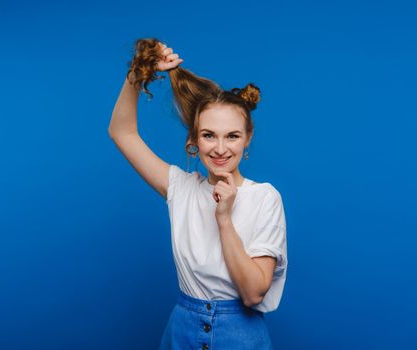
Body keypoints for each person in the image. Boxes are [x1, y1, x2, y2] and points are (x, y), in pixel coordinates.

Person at [108, 38, 288, 349]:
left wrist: (224, 219)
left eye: (232, 136)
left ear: (248, 139)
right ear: (194, 139)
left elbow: (253, 292)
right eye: (209, 135)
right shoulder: (180, 188)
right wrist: (137, 74)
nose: (220, 148)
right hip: (182, 332)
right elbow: (122, 132)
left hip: (240, 337)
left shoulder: (264, 198)